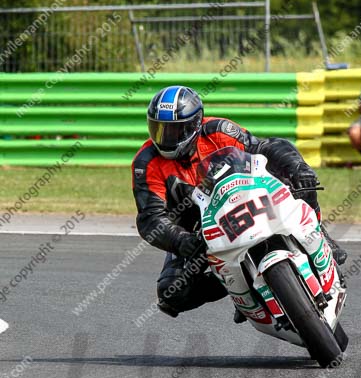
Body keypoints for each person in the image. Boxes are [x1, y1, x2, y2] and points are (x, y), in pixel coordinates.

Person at [132, 85, 347, 319]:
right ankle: (242, 288)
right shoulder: (146, 162)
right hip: (196, 227)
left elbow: (264, 147)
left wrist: (297, 167)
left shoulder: (218, 130)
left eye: (174, 131)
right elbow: (151, 218)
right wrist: (181, 240)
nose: (165, 139)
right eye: (159, 129)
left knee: (299, 180)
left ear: (195, 124)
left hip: (246, 196)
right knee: (171, 293)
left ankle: (320, 235)